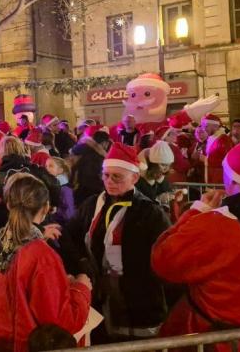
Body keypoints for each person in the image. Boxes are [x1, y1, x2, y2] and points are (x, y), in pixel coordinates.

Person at [151, 136, 240, 344]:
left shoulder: (214, 225)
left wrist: (196, 212)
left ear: (232, 179)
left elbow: (164, 261)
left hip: (217, 339)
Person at [61, 142, 171, 341]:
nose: (109, 181)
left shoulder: (150, 213)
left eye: (117, 177)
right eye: (105, 175)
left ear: (135, 177)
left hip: (137, 304)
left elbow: (166, 257)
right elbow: (69, 236)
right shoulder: (92, 205)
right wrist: (81, 263)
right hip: (99, 302)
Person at [0, 173, 91, 352]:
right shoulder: (41, 256)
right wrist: (81, 288)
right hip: (26, 344)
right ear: (45, 208)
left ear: (8, 204)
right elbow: (59, 322)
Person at [70, 129, 111, 206]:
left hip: (76, 188)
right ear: (104, 143)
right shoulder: (97, 156)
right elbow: (93, 178)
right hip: (90, 192)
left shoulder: (80, 149)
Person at [136, 141, 175, 207]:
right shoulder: (139, 178)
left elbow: (167, 189)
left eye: (168, 165)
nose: (166, 168)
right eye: (163, 165)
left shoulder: (159, 174)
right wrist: (159, 198)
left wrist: (173, 194)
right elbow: (147, 199)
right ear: (154, 164)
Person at [46, 156, 76, 225]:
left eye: (51, 166)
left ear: (60, 170)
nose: (47, 168)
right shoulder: (53, 186)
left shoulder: (65, 189)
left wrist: (54, 213)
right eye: (46, 166)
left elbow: (69, 213)